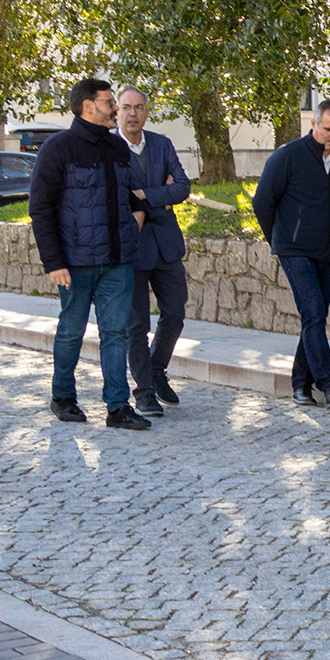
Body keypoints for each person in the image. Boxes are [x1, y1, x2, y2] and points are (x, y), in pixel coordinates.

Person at [29, 77, 151, 431]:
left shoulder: (117, 149)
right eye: (109, 102)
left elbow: (130, 197)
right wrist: (54, 262)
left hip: (117, 262)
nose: (116, 108)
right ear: (87, 106)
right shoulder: (58, 148)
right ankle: (63, 397)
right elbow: (40, 208)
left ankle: (118, 407)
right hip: (74, 263)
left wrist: (133, 229)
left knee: (116, 334)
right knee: (71, 331)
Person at [253, 100, 330, 409]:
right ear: (314, 123)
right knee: (312, 312)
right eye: (328, 129)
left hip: (329, 249)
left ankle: (300, 384)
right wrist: (280, 238)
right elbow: (262, 202)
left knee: (316, 317)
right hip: (295, 250)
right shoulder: (288, 157)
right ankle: (328, 383)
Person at [114, 86, 192, 417]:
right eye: (126, 107)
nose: (133, 113)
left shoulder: (162, 144)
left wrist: (145, 194)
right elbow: (118, 194)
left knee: (175, 314)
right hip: (131, 246)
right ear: (116, 111)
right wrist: (163, 192)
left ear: (147, 112)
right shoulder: (109, 148)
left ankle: (157, 370)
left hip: (166, 245)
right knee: (137, 326)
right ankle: (143, 392)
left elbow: (183, 187)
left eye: (139, 107)